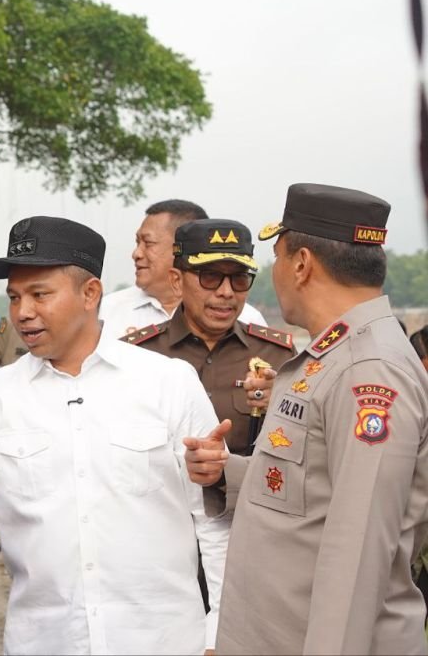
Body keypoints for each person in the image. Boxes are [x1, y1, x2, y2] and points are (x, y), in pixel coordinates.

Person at [0, 215, 230, 654]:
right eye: (14, 297)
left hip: (163, 641)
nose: (22, 312)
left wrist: (217, 633)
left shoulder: (168, 382)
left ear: (90, 293)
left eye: (40, 294)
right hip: (46, 642)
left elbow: (214, 520)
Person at [183, 183, 428, 654]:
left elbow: (357, 553)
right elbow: (314, 484)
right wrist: (228, 473)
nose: (273, 272)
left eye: (276, 257)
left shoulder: (368, 370)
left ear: (301, 264)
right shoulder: (332, 356)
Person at [124, 219, 296, 455]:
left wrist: (283, 405)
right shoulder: (135, 355)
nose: (226, 292)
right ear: (177, 281)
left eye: (239, 279)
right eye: (210, 277)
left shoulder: (277, 356)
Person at [100, 200, 266, 339]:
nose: (136, 254)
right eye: (138, 243)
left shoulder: (246, 318)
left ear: (180, 249)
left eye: (148, 243)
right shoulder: (107, 312)